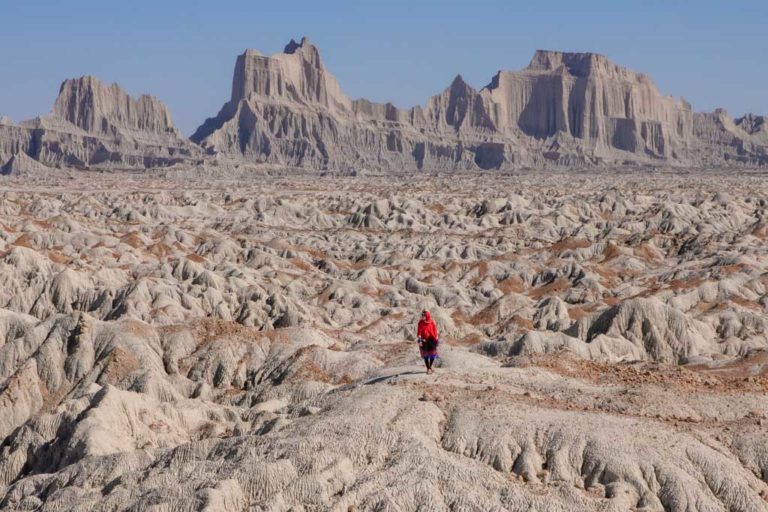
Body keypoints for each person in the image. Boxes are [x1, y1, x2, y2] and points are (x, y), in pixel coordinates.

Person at [417, 310, 439, 374]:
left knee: (433, 354)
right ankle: (428, 368)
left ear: (427, 316)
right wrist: (419, 339)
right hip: (424, 340)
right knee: (425, 355)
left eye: (424, 315)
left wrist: (436, 337)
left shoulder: (431, 322)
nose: (422, 317)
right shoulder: (420, 322)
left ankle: (430, 366)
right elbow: (419, 331)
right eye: (422, 315)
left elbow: (434, 330)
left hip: (432, 339)